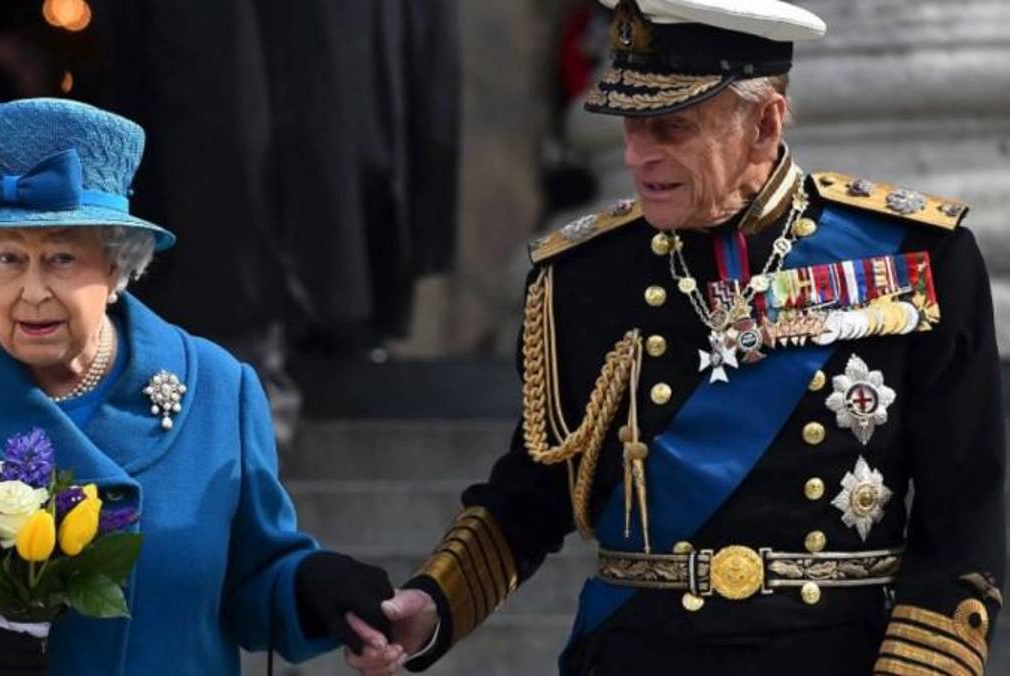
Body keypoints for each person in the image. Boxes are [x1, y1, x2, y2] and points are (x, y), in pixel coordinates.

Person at [346, 1, 1005, 674]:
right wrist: (434, 602)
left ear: (765, 123)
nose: (638, 156)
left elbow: (965, 511)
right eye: (631, 126)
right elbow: (536, 490)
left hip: (830, 653)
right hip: (634, 652)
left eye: (672, 126)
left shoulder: (913, 255)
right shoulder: (582, 276)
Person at [0, 98, 398, 676]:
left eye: (61, 258)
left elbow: (254, 582)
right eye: (9, 259)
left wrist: (314, 586)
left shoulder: (220, 388)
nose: (32, 291)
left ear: (117, 266)